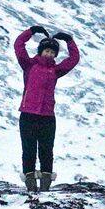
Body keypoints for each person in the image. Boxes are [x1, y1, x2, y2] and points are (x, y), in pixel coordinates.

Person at [13, 25, 81, 192]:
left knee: (46, 151)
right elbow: (18, 45)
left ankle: (45, 187)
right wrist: (31, 31)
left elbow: (74, 59)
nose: (49, 54)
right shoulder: (28, 65)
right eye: (46, 51)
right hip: (28, 115)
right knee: (28, 149)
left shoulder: (56, 70)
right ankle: (30, 186)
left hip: (47, 117)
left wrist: (69, 40)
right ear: (41, 51)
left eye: (52, 52)